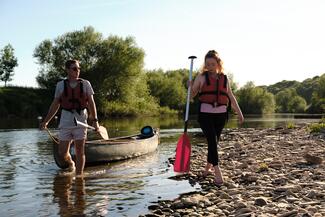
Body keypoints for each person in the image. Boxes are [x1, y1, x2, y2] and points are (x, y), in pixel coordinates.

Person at [190, 50, 244, 185]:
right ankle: (217, 171)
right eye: (207, 64)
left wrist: (239, 113)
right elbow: (191, 95)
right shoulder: (201, 77)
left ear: (218, 64)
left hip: (221, 115)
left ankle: (207, 168)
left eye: (212, 64)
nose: (210, 66)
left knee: (214, 142)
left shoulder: (225, 78)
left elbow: (231, 96)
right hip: (205, 115)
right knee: (212, 141)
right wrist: (190, 87)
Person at [40, 59, 99, 177]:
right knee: (62, 152)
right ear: (67, 70)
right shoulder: (60, 85)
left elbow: (91, 103)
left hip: (81, 120)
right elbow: (55, 105)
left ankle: (79, 177)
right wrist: (46, 121)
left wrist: (95, 121)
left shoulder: (86, 84)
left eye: (78, 68)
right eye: (74, 69)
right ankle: (71, 163)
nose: (78, 71)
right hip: (66, 120)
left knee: (79, 151)